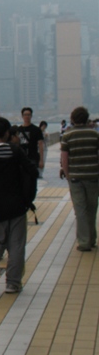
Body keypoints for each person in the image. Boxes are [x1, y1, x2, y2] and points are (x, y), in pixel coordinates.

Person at [0, 117, 38, 294]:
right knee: (16, 244)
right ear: (6, 133)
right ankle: (12, 283)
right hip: (16, 204)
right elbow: (32, 171)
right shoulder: (14, 151)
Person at [60, 107, 99, 252]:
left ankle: (84, 242)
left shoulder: (67, 136)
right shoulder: (94, 135)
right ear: (86, 118)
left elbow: (64, 159)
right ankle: (92, 238)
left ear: (73, 119)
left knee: (80, 209)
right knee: (92, 208)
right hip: (93, 176)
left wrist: (68, 175)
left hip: (76, 178)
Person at [18, 107, 45, 182]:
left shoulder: (36, 130)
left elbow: (40, 145)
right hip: (21, 159)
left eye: (28, 114)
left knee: (32, 179)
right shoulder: (18, 130)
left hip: (33, 158)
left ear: (31, 116)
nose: (27, 116)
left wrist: (41, 160)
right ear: (22, 116)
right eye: (25, 114)